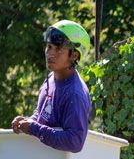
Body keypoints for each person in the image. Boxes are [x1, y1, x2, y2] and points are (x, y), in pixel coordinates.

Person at [11, 20, 91, 152]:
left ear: (74, 55)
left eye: (58, 48)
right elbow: (42, 115)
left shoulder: (75, 94)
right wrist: (27, 122)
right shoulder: (51, 79)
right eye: (49, 46)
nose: (50, 53)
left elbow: (75, 142)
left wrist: (34, 129)